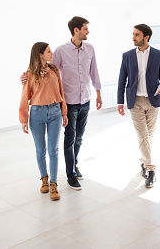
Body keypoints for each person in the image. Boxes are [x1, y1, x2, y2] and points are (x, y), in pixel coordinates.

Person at [21, 16, 101, 191]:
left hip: (84, 99)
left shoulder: (90, 49)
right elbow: (46, 71)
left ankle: (73, 165)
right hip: (68, 101)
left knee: (79, 137)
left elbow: (93, 71)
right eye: (85, 29)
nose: (88, 32)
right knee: (68, 139)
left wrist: (98, 92)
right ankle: (69, 174)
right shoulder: (61, 51)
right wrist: (27, 78)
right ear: (76, 30)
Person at [117, 24, 160, 188]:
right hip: (135, 101)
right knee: (142, 135)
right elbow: (122, 80)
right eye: (133, 34)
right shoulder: (127, 56)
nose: (133, 37)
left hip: (153, 101)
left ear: (146, 37)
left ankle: (143, 161)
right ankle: (151, 169)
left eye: (137, 35)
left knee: (149, 136)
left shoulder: (158, 55)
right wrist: (120, 101)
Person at [19, 42, 68, 201]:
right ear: (40, 54)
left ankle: (54, 184)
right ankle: (44, 180)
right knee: (40, 150)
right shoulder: (29, 74)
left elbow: (61, 91)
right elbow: (25, 96)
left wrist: (64, 112)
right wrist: (24, 119)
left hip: (55, 112)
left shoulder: (54, 71)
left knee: (53, 150)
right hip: (37, 114)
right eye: (48, 51)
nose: (51, 53)